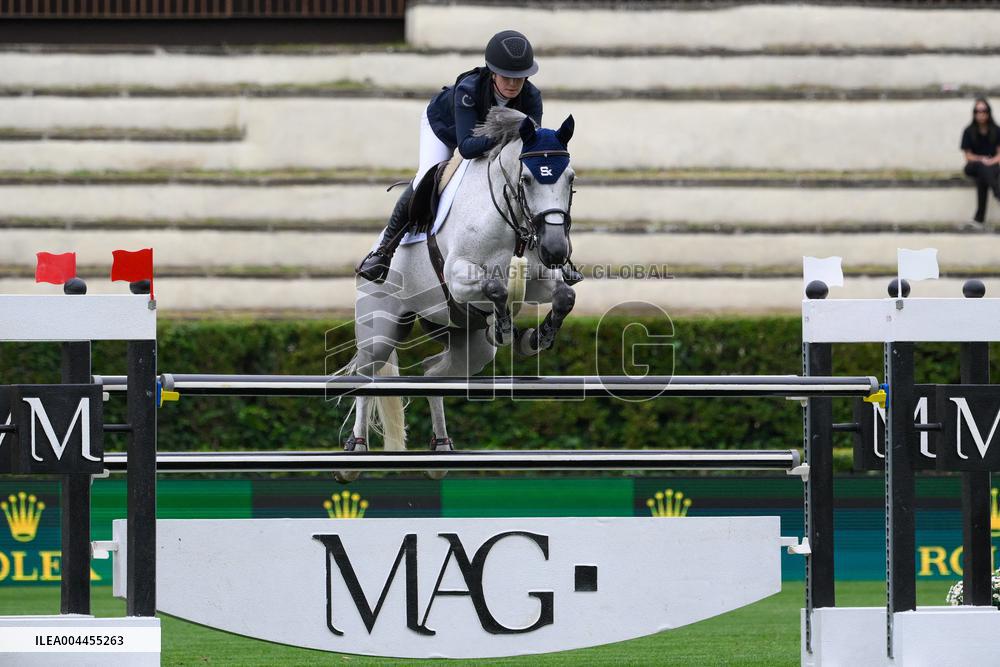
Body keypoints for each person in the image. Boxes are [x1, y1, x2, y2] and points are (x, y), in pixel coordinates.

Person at [356, 30, 543, 283]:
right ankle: (384, 252)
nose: (513, 84)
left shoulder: (532, 97)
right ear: (493, 72)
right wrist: (507, 133)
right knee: (426, 175)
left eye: (519, 78)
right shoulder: (469, 89)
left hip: (487, 139)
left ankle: (552, 258)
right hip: (444, 130)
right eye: (507, 76)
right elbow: (466, 148)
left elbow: (530, 144)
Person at [961, 98, 1000, 225]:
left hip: (992, 165)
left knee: (982, 176)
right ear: (974, 113)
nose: (981, 114)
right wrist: (982, 159)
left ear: (988, 112)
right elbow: (968, 156)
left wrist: (991, 161)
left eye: (984, 111)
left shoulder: (997, 130)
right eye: (977, 111)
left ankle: (979, 219)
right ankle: (997, 191)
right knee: (981, 168)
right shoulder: (968, 131)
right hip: (974, 165)